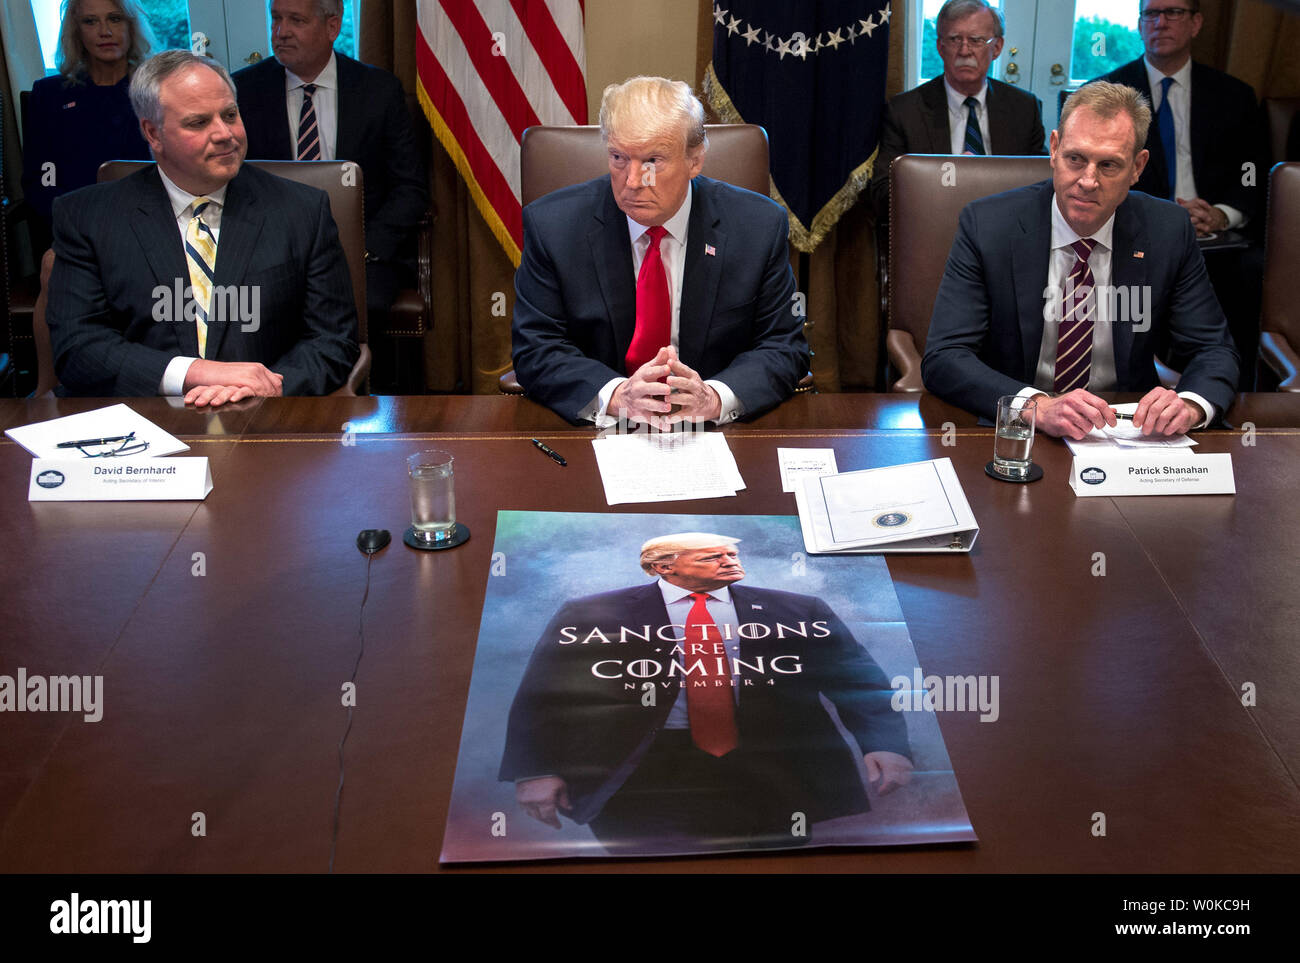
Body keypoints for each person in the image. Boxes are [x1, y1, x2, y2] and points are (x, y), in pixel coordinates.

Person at [499, 533, 912, 854]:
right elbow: (546, 693)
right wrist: (535, 768)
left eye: (731, 554)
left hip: (773, 768)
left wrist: (886, 744)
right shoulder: (590, 614)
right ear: (664, 566)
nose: (729, 561)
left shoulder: (801, 610)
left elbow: (855, 679)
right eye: (712, 556)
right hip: (640, 771)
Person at [922, 82, 1238, 440]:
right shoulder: (988, 225)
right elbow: (945, 357)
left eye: (1108, 165)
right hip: (1018, 432)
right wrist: (1035, 406)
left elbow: (1212, 348)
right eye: (1076, 159)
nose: (1088, 181)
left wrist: (1192, 405)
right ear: (1054, 149)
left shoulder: (1167, 231)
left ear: (1138, 167)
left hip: (1125, 432)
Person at [46, 50, 358, 403]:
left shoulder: (303, 210)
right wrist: (195, 373)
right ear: (153, 133)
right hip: (141, 418)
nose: (225, 134)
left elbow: (332, 340)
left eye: (229, 115)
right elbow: (78, 347)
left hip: (264, 416)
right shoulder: (88, 217)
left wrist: (268, 384)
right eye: (198, 123)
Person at [511, 76, 809, 427]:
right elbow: (536, 347)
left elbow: (784, 347)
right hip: (599, 426)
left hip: (714, 430)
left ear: (695, 160)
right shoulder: (553, 226)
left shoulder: (758, 226)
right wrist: (618, 395)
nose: (634, 180)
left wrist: (714, 398)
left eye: (653, 160)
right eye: (619, 157)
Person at [1094, 0, 1264, 388]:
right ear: (1138, 25)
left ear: (1197, 23)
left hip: (1220, 237)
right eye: (1151, 14)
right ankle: (1138, 384)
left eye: (1173, 13)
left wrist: (1223, 214)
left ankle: (1225, 390)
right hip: (1138, 229)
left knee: (1253, 270)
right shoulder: (1107, 95)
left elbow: (1254, 174)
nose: (1161, 23)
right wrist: (1166, 216)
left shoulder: (1235, 95)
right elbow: (1101, 178)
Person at [233, 0, 427, 325]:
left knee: (350, 308)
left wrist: (364, 248)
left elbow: (409, 188)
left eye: (296, 20)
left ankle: (354, 377)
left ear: (332, 26)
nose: (280, 32)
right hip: (271, 252)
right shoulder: (244, 91)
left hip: (362, 254)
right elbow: (232, 180)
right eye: (276, 19)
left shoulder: (378, 90)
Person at [868, 0, 1046, 220]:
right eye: (954, 40)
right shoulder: (904, 111)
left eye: (976, 40)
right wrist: (948, 184)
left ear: (997, 47)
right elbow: (881, 193)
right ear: (941, 47)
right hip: (935, 226)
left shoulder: (1024, 108)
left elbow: (1043, 183)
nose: (964, 50)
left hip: (1005, 228)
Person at [21, 0, 154, 253]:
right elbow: (42, 178)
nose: (105, 31)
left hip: (149, 230)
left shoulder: (159, 91)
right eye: (90, 21)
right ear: (76, 31)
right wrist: (70, 226)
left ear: (131, 26)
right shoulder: (48, 95)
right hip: (76, 232)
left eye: (115, 19)